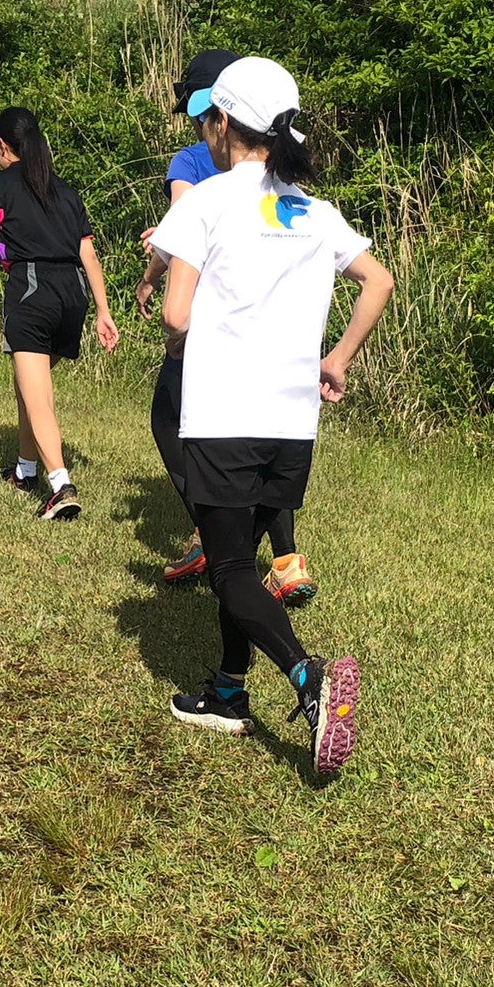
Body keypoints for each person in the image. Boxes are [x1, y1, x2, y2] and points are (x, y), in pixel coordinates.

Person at [150, 57, 394, 775]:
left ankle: (308, 677)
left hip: (224, 414)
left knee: (229, 568)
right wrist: (337, 359)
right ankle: (228, 691)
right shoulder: (314, 210)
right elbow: (377, 281)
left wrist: (178, 341)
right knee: (241, 561)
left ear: (222, 123)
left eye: (208, 119)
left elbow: (175, 313)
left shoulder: (206, 200)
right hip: (291, 426)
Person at [136, 51, 317, 605]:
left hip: (211, 321)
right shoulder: (279, 162)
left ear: (215, 114)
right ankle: (286, 561)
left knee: (168, 417)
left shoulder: (192, 161)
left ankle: (214, 534)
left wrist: (150, 277)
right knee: (269, 432)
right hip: (276, 325)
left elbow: (181, 231)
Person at [0, 107, 119, 520]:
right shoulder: (65, 191)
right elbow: (88, 254)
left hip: (31, 290)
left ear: (2, 146)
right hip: (73, 295)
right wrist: (103, 311)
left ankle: (61, 486)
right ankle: (24, 472)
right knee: (28, 386)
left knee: (39, 397)